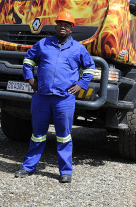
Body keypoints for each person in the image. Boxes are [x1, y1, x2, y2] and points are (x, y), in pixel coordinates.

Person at [14, 10, 95, 183]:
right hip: (41, 96)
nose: (63, 27)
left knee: (64, 135)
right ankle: (28, 167)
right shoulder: (43, 44)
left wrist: (81, 85)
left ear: (71, 28)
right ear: (56, 26)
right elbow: (28, 60)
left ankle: (65, 171)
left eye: (67, 25)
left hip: (64, 99)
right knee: (37, 134)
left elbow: (89, 68)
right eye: (60, 24)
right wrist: (30, 78)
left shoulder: (78, 48)